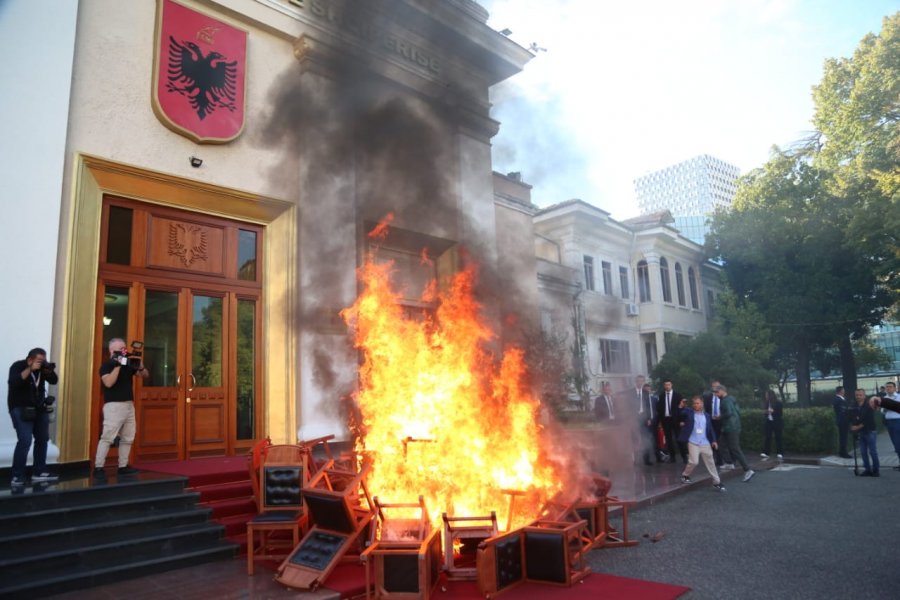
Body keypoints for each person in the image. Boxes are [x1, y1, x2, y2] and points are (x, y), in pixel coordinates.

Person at [94, 338, 148, 477]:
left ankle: (123, 466)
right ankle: (98, 467)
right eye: (120, 350)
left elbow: (144, 376)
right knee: (107, 437)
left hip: (129, 405)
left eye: (124, 348)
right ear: (111, 351)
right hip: (114, 406)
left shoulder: (128, 364)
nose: (124, 352)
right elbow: (108, 383)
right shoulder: (106, 366)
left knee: (128, 437)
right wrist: (117, 366)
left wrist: (140, 366)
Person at [8, 348, 60, 486]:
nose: (42, 363)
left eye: (44, 360)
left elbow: (54, 380)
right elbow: (14, 382)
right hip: (20, 408)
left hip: (39, 408)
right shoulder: (18, 366)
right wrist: (30, 369)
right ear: (30, 359)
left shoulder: (42, 369)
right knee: (25, 441)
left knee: (43, 439)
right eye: (39, 361)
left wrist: (47, 370)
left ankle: (39, 471)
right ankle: (17, 476)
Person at [678, 395, 726, 491]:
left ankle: (717, 482)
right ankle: (685, 475)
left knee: (711, 463)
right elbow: (680, 414)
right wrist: (680, 406)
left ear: (702, 403)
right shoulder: (689, 412)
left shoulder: (707, 415)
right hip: (693, 442)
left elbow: (710, 429)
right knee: (694, 462)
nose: (695, 405)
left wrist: (713, 441)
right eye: (694, 403)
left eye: (697, 403)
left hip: (705, 443)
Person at [716, 385, 755, 482]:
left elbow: (729, 413)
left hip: (730, 427)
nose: (716, 395)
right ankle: (729, 463)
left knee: (735, 448)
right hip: (731, 426)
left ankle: (747, 469)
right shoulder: (731, 399)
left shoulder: (725, 401)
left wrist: (719, 417)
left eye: (716, 392)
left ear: (721, 391)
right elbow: (737, 412)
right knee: (721, 444)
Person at [849, 389, 879, 477]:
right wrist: (852, 425)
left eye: (860, 395)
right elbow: (852, 417)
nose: (858, 397)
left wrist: (856, 427)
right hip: (861, 432)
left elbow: (868, 420)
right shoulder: (854, 405)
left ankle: (876, 470)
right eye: (857, 395)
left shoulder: (869, 405)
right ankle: (867, 469)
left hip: (870, 430)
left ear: (864, 396)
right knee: (863, 451)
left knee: (873, 451)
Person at [657, 379, 687, 464]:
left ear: (671, 385)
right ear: (664, 386)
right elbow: (659, 409)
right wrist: (660, 421)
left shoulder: (678, 395)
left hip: (676, 420)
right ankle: (672, 457)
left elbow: (682, 409)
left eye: (669, 384)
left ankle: (684, 456)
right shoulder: (661, 396)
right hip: (666, 420)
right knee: (668, 439)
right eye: (665, 385)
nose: (667, 386)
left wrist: (682, 420)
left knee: (679, 438)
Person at [703, 379, 730, 467]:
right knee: (713, 440)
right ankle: (716, 459)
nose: (715, 389)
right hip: (712, 421)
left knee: (722, 441)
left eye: (717, 387)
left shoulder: (723, 398)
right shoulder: (708, 397)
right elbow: (706, 410)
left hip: (721, 421)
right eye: (714, 387)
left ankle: (726, 459)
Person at [880, 381, 900, 470]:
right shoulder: (884, 398)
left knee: (898, 442)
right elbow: (881, 411)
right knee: (895, 443)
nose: (888, 388)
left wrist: (890, 406)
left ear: (895, 388)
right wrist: (885, 409)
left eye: (890, 387)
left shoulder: (898, 397)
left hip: (897, 421)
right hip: (889, 422)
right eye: (887, 387)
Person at [760, 389, 784, 460]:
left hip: (777, 422)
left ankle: (780, 452)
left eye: (767, 395)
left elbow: (780, 413)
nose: (766, 396)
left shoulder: (778, 403)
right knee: (767, 437)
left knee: (778, 437)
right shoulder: (767, 403)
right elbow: (765, 412)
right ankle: (766, 452)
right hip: (769, 422)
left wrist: (773, 411)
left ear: (770, 395)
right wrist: (766, 412)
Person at [832, 386, 852, 459]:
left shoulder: (839, 399)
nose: (844, 392)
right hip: (843, 420)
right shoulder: (838, 400)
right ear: (840, 391)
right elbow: (843, 410)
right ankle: (844, 452)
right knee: (843, 437)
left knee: (843, 437)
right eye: (843, 390)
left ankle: (842, 451)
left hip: (842, 420)